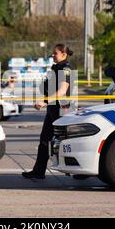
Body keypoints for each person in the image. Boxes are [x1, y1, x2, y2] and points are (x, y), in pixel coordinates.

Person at [22, 44, 73, 179]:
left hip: (62, 110)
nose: (52, 55)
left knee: (67, 141)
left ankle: (79, 172)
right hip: (53, 109)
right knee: (44, 140)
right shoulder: (56, 67)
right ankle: (39, 171)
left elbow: (62, 91)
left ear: (63, 54)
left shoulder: (65, 68)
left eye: (55, 53)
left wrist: (44, 101)